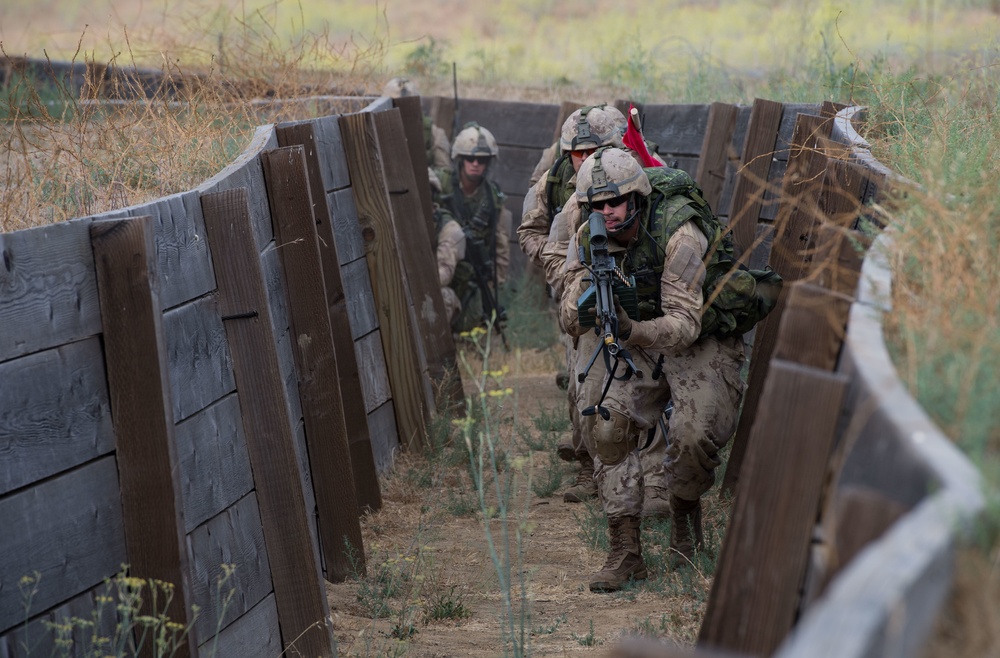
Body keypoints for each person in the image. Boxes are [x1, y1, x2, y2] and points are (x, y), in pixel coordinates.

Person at [559, 147, 746, 592]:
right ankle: (625, 549)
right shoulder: (587, 234)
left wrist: (631, 328)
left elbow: (683, 324)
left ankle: (684, 512)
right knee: (606, 426)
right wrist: (586, 298)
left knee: (694, 433)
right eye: (598, 205)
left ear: (637, 198)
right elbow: (568, 308)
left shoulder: (679, 232)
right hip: (633, 337)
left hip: (694, 337)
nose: (607, 212)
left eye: (616, 202)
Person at [519, 107, 673, 519]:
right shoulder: (570, 198)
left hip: (648, 305)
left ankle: (656, 484)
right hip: (588, 296)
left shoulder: (640, 184)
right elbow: (543, 241)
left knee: (656, 388)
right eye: (578, 153)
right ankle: (594, 468)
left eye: (597, 150)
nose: (588, 160)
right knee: (586, 386)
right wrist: (574, 283)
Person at [432, 122, 512, 334]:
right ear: (460, 158)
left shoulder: (492, 199)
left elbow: (501, 243)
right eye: (470, 158)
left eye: (482, 159)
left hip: (471, 274)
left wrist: (495, 283)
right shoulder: (440, 183)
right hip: (439, 259)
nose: (475, 163)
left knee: (471, 326)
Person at [382, 77, 452, 169]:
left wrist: (429, 176)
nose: (400, 112)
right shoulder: (379, 131)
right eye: (395, 106)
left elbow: (444, 173)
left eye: (406, 106)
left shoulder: (434, 135)